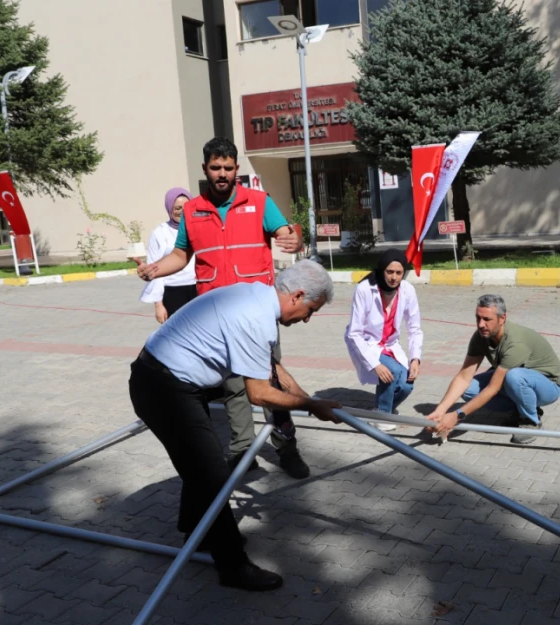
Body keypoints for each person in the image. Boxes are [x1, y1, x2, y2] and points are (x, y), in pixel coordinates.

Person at [128, 261, 340, 592]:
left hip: (167, 379)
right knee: (212, 474)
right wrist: (311, 405)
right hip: (161, 386)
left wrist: (310, 401)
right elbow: (258, 393)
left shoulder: (255, 297)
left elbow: (272, 368)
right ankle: (233, 567)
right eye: (311, 309)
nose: (308, 318)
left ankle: (196, 532)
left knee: (199, 464)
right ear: (298, 296)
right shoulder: (256, 317)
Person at [135, 137, 308, 478]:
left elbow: (288, 233)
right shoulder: (193, 211)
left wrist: (295, 238)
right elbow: (181, 255)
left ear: (237, 170)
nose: (222, 174)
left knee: (270, 382)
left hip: (256, 316)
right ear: (205, 169)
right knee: (232, 388)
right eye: (216, 168)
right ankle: (244, 452)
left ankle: (287, 448)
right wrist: (156, 267)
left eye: (228, 168)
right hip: (215, 321)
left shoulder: (259, 202)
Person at [428, 294, 560, 445]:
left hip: (548, 386)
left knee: (514, 376)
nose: (480, 324)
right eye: (478, 318)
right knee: (468, 389)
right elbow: (463, 377)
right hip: (516, 379)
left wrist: (457, 415)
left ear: (502, 318)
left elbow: (493, 388)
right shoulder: (481, 336)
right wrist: (440, 411)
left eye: (487, 319)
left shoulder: (515, 343)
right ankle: (520, 408)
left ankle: (531, 420)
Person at [345, 250, 424, 430]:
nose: (394, 278)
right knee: (392, 371)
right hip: (366, 342)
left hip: (389, 345)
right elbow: (354, 332)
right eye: (389, 272)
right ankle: (382, 415)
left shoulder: (407, 290)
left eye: (398, 273)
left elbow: (414, 328)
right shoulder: (365, 289)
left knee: (406, 385)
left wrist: (415, 359)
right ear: (382, 270)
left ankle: (382, 408)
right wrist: (375, 365)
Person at [140, 188, 197, 322]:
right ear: (169, 207)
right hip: (173, 292)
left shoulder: (199, 228)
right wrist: (158, 305)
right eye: (177, 208)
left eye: (186, 207)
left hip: (199, 289)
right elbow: (155, 269)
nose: (182, 211)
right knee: (177, 335)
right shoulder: (160, 233)